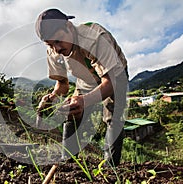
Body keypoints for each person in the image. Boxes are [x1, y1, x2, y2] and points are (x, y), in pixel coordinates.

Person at [35, 8, 128, 167]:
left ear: (69, 27)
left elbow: (111, 82)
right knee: (71, 110)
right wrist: (53, 97)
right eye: (50, 44)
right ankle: (68, 163)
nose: (56, 48)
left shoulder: (95, 38)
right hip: (86, 78)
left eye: (58, 40)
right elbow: (62, 84)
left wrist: (85, 101)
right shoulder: (53, 51)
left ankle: (110, 169)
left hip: (114, 76)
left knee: (113, 115)